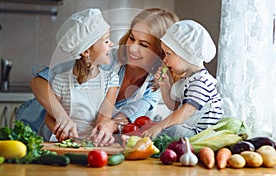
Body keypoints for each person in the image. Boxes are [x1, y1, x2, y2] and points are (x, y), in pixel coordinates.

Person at [25, 8, 179, 146]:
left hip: (81, 142)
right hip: (39, 129)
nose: (132, 47)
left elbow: (125, 117)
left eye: (143, 45)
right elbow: (39, 81)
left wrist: (108, 126)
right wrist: (62, 117)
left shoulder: (153, 86)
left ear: (161, 53)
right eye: (132, 38)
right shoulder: (104, 57)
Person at [40, 8, 119, 144]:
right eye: (106, 41)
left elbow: (104, 117)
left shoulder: (111, 80)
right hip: (65, 144)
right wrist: (61, 133)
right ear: (87, 51)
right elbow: (49, 117)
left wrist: (97, 135)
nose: (111, 44)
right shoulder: (61, 80)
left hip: (94, 144)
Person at [142, 20, 224, 139]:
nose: (165, 60)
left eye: (168, 54)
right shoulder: (188, 79)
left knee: (170, 130)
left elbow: (187, 111)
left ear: (185, 54)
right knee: (164, 129)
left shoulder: (201, 82)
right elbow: (174, 107)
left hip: (201, 134)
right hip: (189, 129)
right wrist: (164, 85)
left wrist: (160, 126)